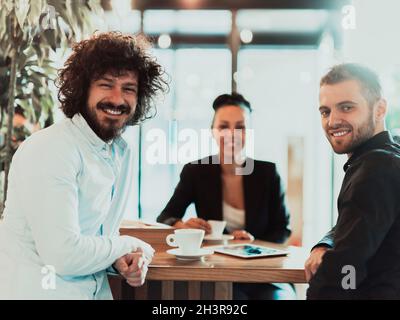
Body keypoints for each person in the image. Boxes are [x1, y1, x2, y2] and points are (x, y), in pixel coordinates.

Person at [0, 32, 167, 299]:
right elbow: (63, 254)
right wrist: (130, 244)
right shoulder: (52, 149)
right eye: (105, 84)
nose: (117, 98)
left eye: (128, 88)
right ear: (83, 88)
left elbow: (102, 236)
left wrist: (122, 259)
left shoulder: (122, 152)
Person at [157, 93, 294, 299]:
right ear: (213, 132)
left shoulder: (268, 173)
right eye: (223, 127)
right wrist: (182, 225)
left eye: (240, 127)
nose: (232, 134)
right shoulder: (196, 171)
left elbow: (282, 228)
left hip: (262, 274)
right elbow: (165, 216)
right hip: (217, 271)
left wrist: (254, 242)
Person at [305, 63, 400, 299]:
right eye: (325, 112)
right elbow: (356, 225)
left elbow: (343, 269)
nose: (332, 121)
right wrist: (325, 243)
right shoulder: (387, 155)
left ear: (379, 110)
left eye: (346, 107)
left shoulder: (376, 168)